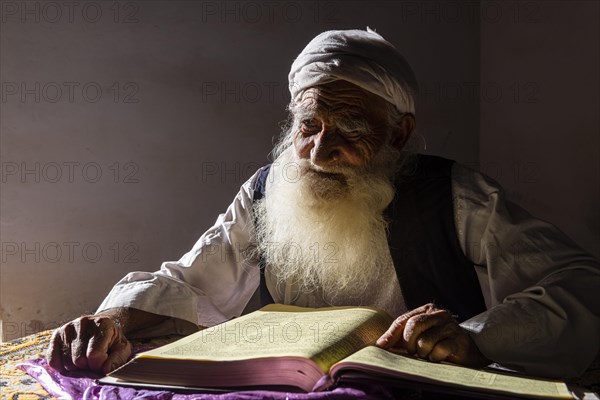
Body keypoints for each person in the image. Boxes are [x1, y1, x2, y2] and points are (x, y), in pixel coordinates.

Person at [47, 28, 599, 380]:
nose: (319, 149)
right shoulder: (268, 190)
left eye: (351, 127)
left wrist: (474, 339)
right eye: (309, 126)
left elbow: (582, 284)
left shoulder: (456, 195)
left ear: (399, 134)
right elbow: (191, 280)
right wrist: (110, 321)